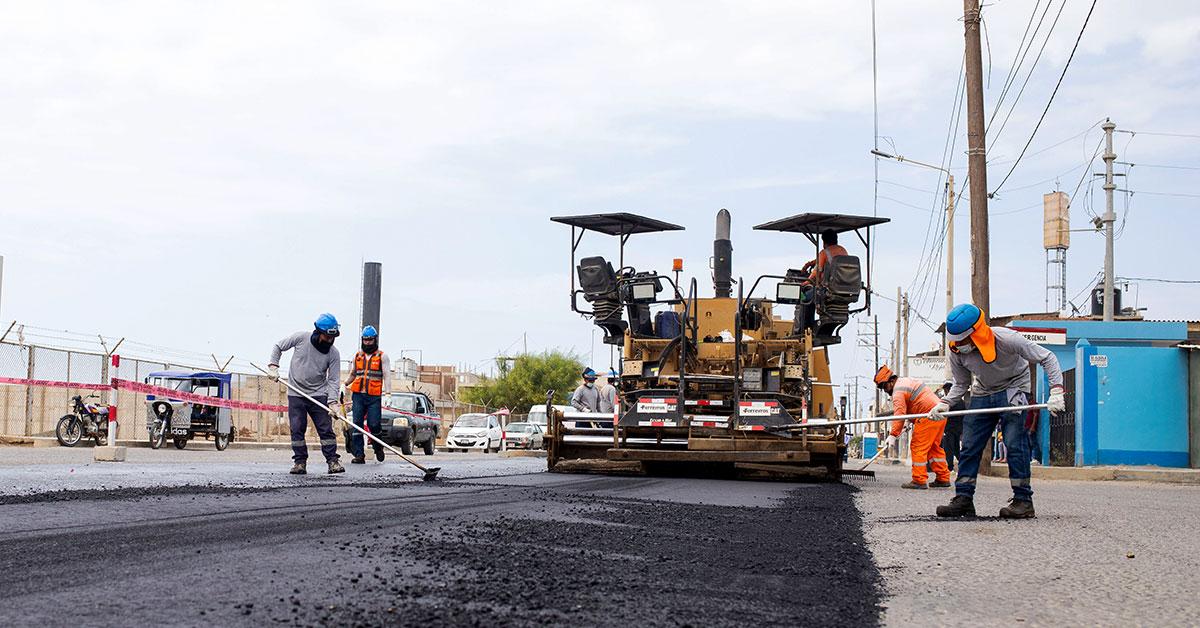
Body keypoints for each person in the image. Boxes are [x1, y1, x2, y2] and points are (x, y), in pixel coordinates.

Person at [935, 304, 1065, 519]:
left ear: (977, 333)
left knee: (1014, 443)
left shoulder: (1008, 339)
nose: (958, 345)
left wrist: (1057, 390)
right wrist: (945, 403)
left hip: (1015, 387)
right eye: (955, 341)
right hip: (983, 391)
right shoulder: (955, 349)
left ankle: (1023, 501)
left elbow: (1047, 357)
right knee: (969, 445)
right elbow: (961, 383)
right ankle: (963, 499)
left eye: (962, 340)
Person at [268, 313, 345, 475]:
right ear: (318, 332)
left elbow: (333, 380)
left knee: (325, 429)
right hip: (296, 393)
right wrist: (273, 366)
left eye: (333, 337)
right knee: (297, 428)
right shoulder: (300, 338)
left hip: (319, 393)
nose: (330, 340)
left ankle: (333, 461)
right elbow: (278, 346)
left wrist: (332, 402)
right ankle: (300, 462)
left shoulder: (333, 353)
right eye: (327, 336)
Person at [875, 365, 951, 489]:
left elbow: (899, 414)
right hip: (938, 414)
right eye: (882, 388)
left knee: (918, 446)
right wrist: (908, 422)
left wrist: (893, 435)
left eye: (885, 386)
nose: (885, 390)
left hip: (928, 415)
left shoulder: (898, 391)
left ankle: (919, 480)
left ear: (891, 380)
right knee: (933, 448)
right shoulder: (905, 382)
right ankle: (943, 478)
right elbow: (914, 405)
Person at [344, 325, 391, 464]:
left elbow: (387, 375)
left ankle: (378, 448)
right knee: (357, 424)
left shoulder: (382, 356)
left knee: (374, 424)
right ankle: (359, 454)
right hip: (358, 395)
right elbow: (353, 374)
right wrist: (344, 384)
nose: (368, 343)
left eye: (370, 340)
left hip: (374, 396)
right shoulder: (357, 356)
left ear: (375, 340)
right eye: (365, 340)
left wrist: (388, 394)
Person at [938, 381, 964, 472]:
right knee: (956, 449)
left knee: (948, 448)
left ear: (947, 390)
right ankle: (963, 466)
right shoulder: (961, 401)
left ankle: (949, 468)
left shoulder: (950, 402)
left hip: (949, 429)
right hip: (958, 429)